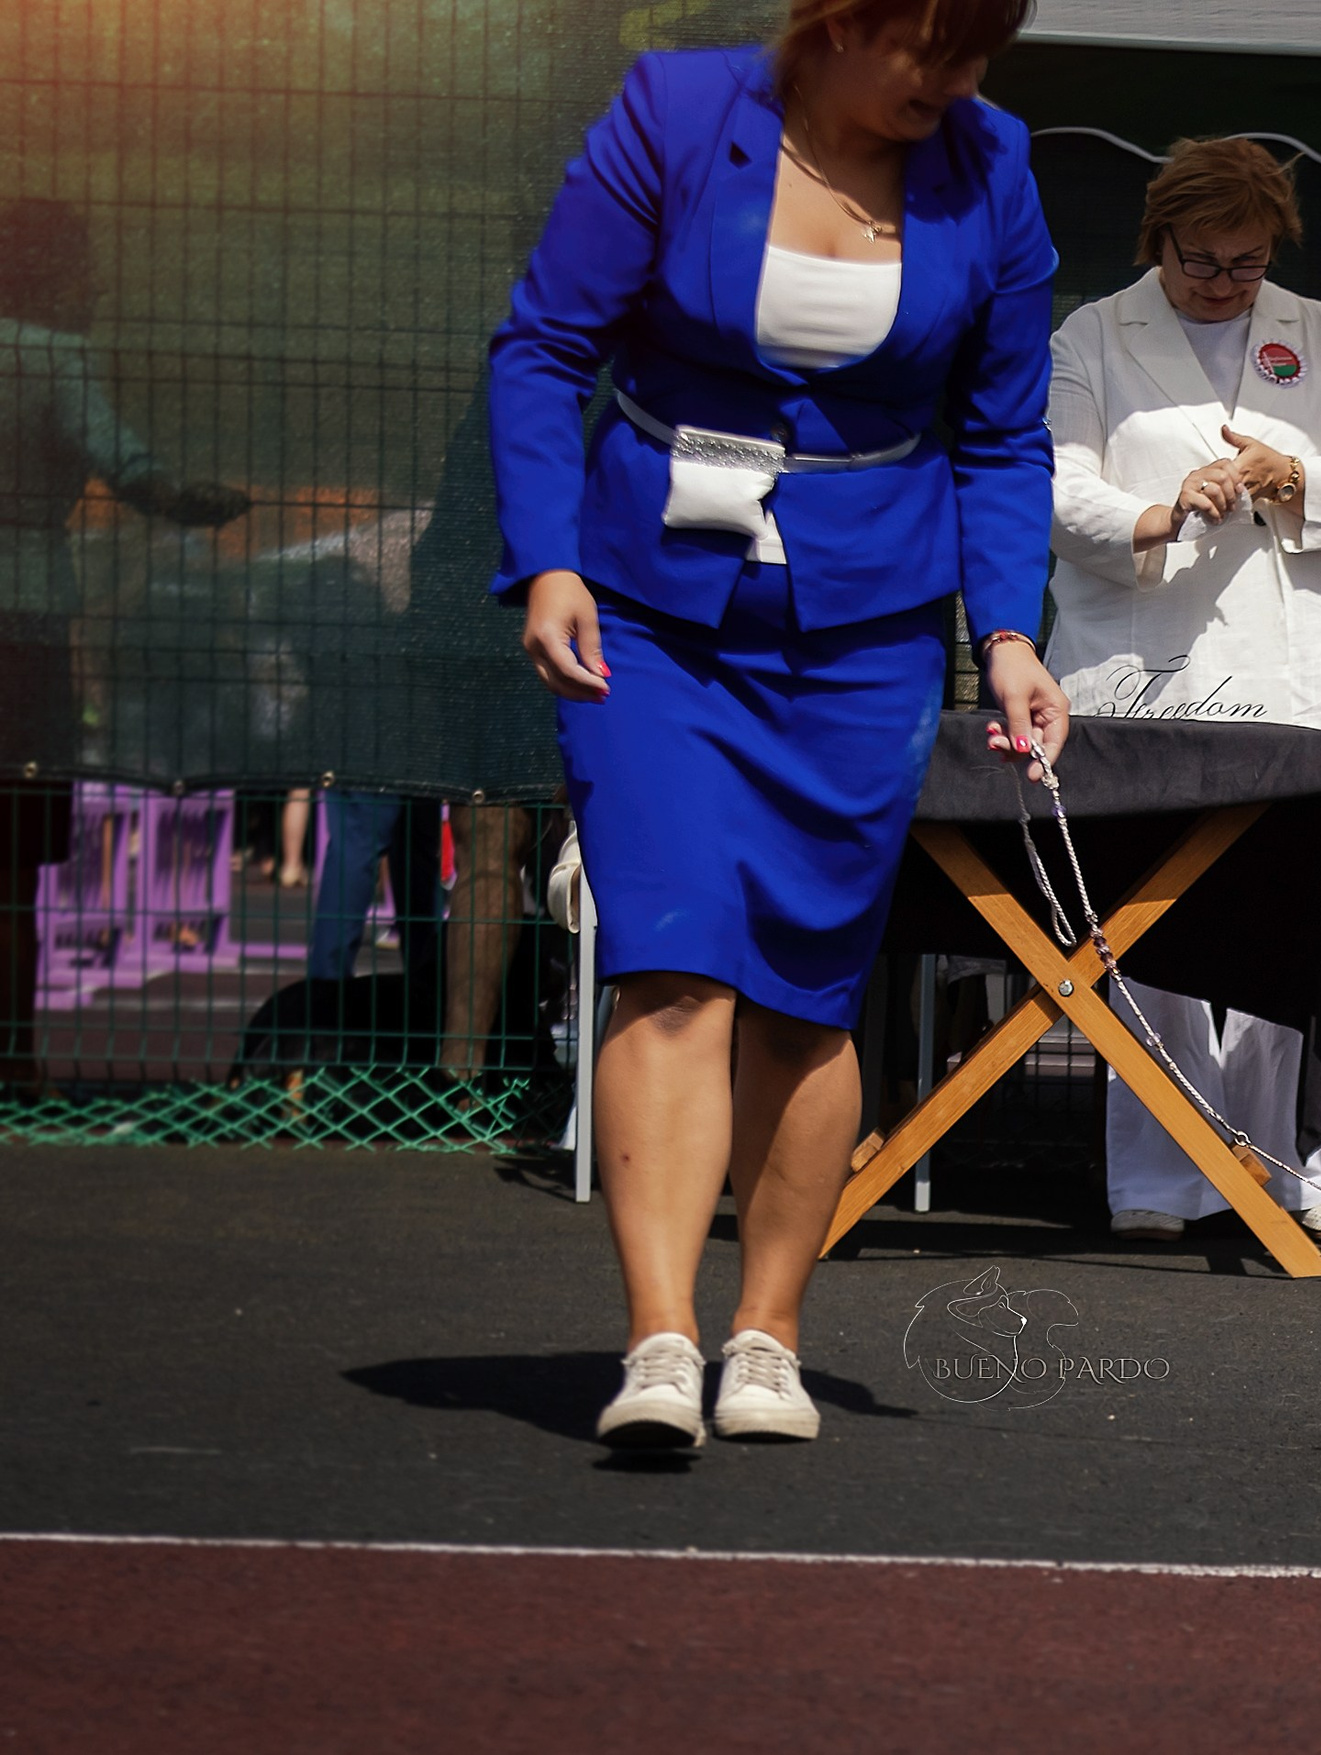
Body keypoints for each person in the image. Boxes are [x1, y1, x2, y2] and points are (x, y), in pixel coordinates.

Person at [489, 0, 1067, 1447]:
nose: (961, 80)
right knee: (673, 960)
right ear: (839, 21)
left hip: (868, 632)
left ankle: (770, 1337)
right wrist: (548, 554)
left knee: (810, 991)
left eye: (983, 51)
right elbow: (543, 348)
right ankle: (661, 1340)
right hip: (651, 613)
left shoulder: (993, 164)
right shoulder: (676, 114)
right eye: (935, 46)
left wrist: (1006, 631)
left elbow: (1003, 432)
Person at [1045, 137, 1321, 1248]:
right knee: (1150, 926)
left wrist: (1294, 477)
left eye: (1246, 264)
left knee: (1290, 928)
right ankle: (1159, 1178)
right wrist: (1162, 511)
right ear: (1157, 242)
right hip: (1146, 662)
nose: (1223, 282)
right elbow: (1051, 486)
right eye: (1202, 261)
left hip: (1302, 669)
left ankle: (1290, 1168)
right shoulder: (1091, 334)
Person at [0, 198, 249, 1091]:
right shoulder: (52, 356)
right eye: (81, 267)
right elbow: (125, 461)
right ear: (47, 275)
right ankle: (16, 1052)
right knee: (15, 847)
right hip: (21, 623)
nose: (97, 284)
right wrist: (189, 499)